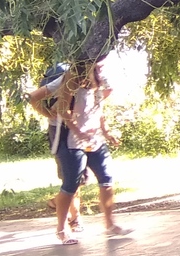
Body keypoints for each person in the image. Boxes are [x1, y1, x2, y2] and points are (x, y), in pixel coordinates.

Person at [45, 60, 127, 244]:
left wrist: (106, 132)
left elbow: (98, 110)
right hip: (73, 141)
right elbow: (62, 109)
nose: (103, 64)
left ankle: (110, 224)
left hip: (95, 139)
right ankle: (61, 229)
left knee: (107, 180)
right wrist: (78, 131)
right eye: (99, 62)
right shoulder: (72, 79)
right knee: (71, 185)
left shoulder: (101, 80)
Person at [26, 62, 82, 235]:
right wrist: (47, 113)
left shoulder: (87, 78)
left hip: (77, 130)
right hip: (60, 131)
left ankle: (71, 214)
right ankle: (71, 218)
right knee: (70, 178)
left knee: (77, 178)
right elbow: (33, 97)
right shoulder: (63, 79)